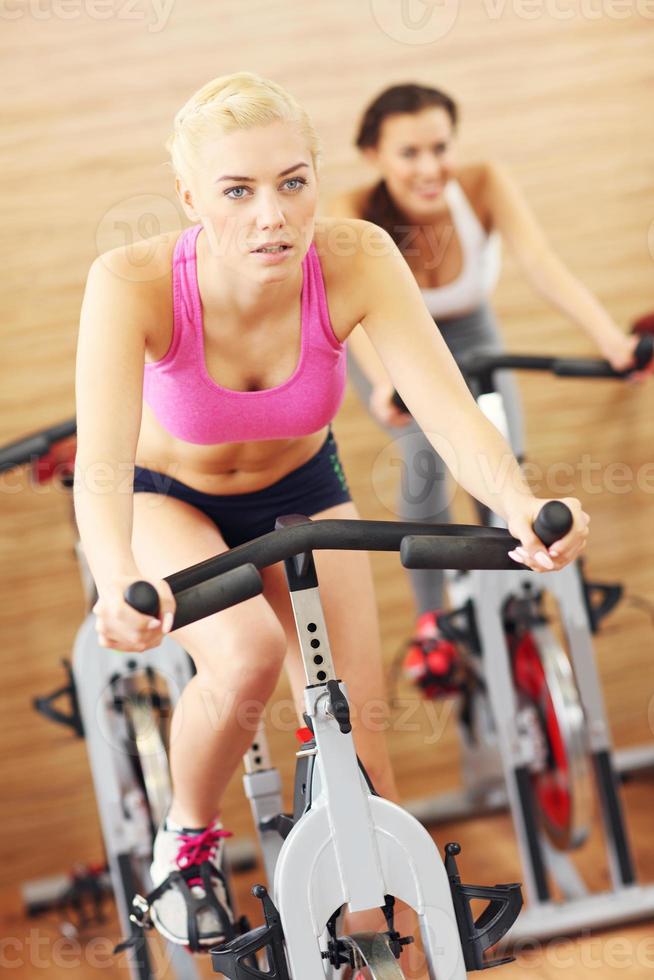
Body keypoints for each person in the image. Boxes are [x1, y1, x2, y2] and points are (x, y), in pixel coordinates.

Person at [74, 72, 589, 955]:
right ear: (191, 196)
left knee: (364, 755)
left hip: (302, 494)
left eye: (292, 182)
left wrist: (520, 505)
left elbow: (451, 412)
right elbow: (104, 462)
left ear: (316, 175)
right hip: (170, 500)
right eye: (237, 190)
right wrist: (119, 578)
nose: (272, 214)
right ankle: (187, 845)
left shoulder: (356, 256)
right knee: (248, 653)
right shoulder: (133, 280)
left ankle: (366, 954)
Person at [328, 82, 645, 685]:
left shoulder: (483, 185)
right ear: (374, 155)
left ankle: (516, 592)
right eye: (409, 153)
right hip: (396, 347)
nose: (430, 168)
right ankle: (431, 627)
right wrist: (383, 381)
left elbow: (543, 265)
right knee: (425, 462)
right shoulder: (352, 213)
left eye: (440, 147)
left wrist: (613, 343)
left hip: (477, 337)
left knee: (502, 470)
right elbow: (356, 320)